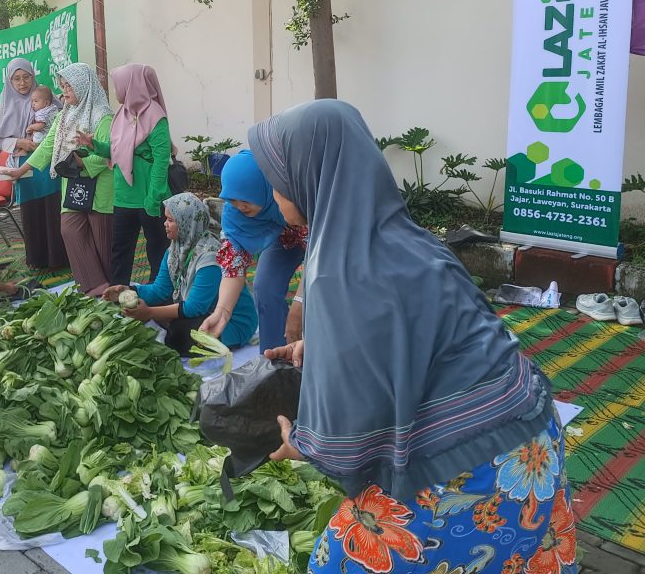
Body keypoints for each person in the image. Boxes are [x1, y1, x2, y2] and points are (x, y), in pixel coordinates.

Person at [253, 100, 567, 574]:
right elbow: (412, 339)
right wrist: (318, 350)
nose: (273, 192)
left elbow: (342, 440)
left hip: (479, 471)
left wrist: (300, 443)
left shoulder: (337, 273)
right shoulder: (408, 238)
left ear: (310, 174)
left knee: (338, 560)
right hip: (535, 437)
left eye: (278, 178)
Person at [3, 63, 113, 295]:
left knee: (101, 240)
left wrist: (83, 161)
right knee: (70, 230)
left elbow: (110, 154)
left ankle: (110, 288)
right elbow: (47, 147)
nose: (63, 93)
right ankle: (95, 286)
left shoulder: (103, 117)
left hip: (99, 187)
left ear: (83, 86)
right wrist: (19, 172)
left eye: (68, 87)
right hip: (74, 184)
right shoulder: (64, 116)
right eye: (62, 87)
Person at [103, 193, 256, 356]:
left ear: (187, 223)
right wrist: (127, 291)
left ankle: (227, 339)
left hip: (232, 320)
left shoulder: (210, 258)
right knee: (141, 307)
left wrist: (149, 313)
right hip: (203, 309)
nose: (165, 224)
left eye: (170, 220)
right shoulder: (174, 250)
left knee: (180, 335)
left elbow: (195, 307)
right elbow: (160, 290)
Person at [198, 150, 307, 352]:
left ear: (261, 185)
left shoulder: (297, 195)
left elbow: (320, 260)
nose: (240, 206)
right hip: (283, 238)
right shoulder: (235, 212)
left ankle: (312, 356)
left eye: (245, 198)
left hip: (319, 239)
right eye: (232, 199)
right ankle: (273, 358)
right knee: (265, 287)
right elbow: (234, 265)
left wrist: (299, 304)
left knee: (317, 299)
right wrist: (222, 311)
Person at [77, 64, 170, 285]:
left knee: (157, 250)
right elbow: (118, 150)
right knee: (120, 250)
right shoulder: (123, 114)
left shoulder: (156, 117)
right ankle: (118, 293)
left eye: (119, 85)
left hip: (148, 196)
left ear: (132, 85)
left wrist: (153, 198)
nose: (116, 90)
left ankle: (158, 297)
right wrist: (94, 145)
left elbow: (160, 161)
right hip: (124, 196)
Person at [0, 58, 68, 270]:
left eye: (26, 77)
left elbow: (62, 125)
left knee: (52, 207)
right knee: (31, 210)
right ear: (10, 81)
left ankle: (58, 258)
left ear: (33, 77)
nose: (22, 83)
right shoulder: (7, 102)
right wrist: (21, 142)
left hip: (47, 163)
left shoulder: (46, 98)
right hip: (23, 164)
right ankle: (36, 259)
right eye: (16, 79)